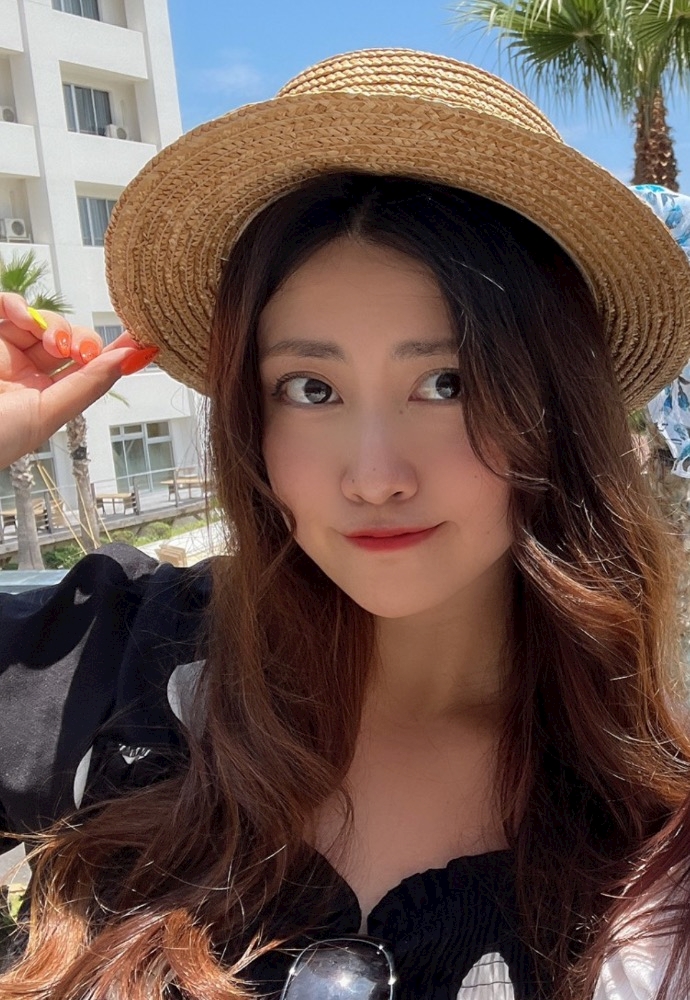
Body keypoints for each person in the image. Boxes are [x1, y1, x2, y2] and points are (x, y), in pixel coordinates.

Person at [0, 48, 689, 1000]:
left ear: (556, 408)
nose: (374, 477)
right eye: (311, 388)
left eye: (446, 383)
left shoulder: (648, 840)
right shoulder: (122, 664)